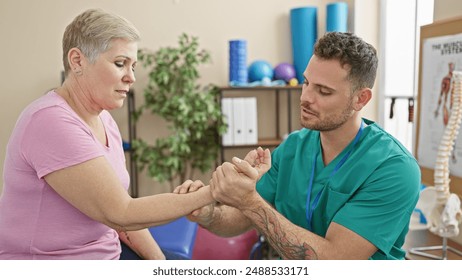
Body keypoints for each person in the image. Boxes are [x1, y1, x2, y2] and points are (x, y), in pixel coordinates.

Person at [177, 32, 421, 260]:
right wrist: (209, 214)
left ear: (361, 99)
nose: (305, 98)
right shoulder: (294, 147)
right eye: (306, 83)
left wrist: (250, 201)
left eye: (323, 91)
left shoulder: (393, 169)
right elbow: (240, 218)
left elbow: (335, 262)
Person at [0, 8, 214, 260]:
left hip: (107, 253)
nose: (131, 77)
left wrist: (161, 263)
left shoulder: (103, 118)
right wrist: (215, 192)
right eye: (120, 64)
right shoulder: (50, 120)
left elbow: (121, 216)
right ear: (77, 61)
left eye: (133, 66)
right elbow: (121, 212)